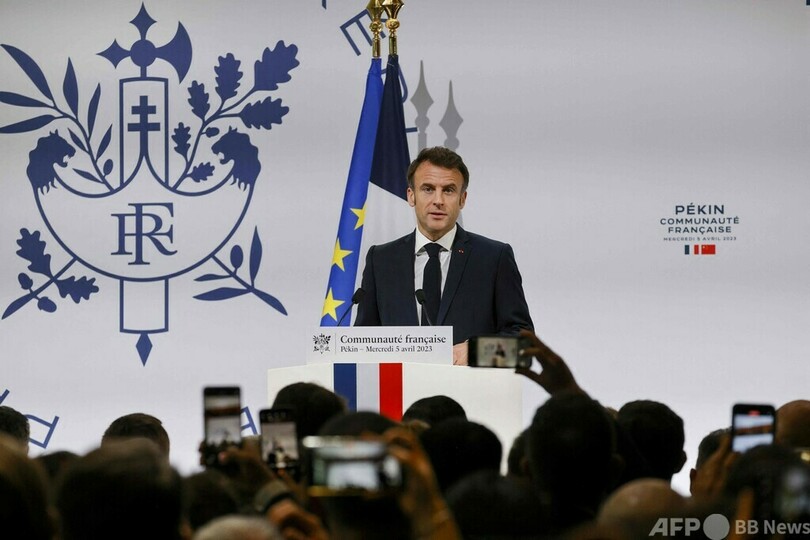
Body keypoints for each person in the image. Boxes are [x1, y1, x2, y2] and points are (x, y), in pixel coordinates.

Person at [354, 146, 533, 365]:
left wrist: (477, 352)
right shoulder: (381, 260)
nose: (438, 200)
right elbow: (361, 344)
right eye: (428, 189)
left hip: (468, 386)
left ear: (462, 199)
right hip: (402, 386)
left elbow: (525, 347)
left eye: (448, 190)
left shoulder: (493, 258)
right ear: (411, 195)